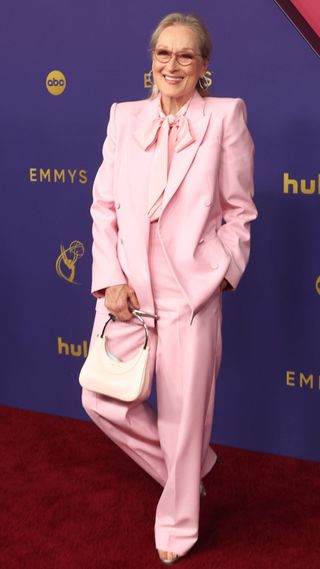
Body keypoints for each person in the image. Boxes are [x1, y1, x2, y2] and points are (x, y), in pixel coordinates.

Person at [82, 12, 258, 564]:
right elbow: (104, 206)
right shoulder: (122, 117)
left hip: (190, 297)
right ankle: (186, 472)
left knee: (185, 420)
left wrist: (218, 273)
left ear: (204, 65)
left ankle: (179, 527)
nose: (173, 65)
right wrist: (109, 278)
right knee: (100, 399)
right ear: (151, 60)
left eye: (186, 55)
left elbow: (239, 211)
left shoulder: (225, 117)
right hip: (127, 296)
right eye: (164, 54)